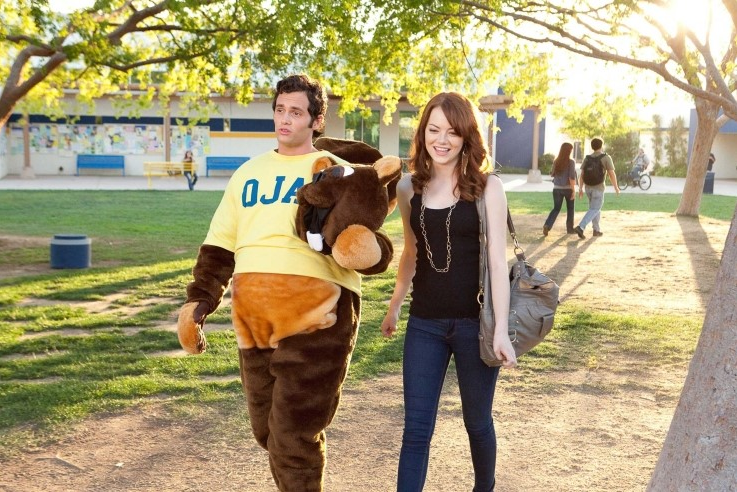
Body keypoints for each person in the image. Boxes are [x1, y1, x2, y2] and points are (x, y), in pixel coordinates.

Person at [179, 74, 391, 491]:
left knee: (294, 434)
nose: (285, 119)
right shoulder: (247, 172)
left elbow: (368, 242)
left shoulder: (340, 172)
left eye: (296, 112)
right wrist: (199, 302)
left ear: (316, 121)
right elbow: (219, 245)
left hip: (318, 313)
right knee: (268, 431)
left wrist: (370, 252)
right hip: (254, 317)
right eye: (280, 110)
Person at [380, 92, 517, 492]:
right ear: (422, 132)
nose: (441, 140)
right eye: (434, 130)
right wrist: (394, 305)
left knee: (477, 422)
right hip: (424, 324)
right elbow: (411, 251)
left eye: (452, 132)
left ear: (466, 136)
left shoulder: (488, 188)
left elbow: (497, 263)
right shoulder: (408, 188)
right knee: (416, 430)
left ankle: (484, 487)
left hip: (474, 325)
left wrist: (501, 331)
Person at [573, 137, 620, 239]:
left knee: (594, 209)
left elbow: (582, 174)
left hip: (588, 188)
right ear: (601, 146)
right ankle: (581, 227)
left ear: (592, 146)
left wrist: (580, 188)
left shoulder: (587, 158)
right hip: (598, 188)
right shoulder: (606, 158)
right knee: (595, 208)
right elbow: (611, 174)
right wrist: (616, 187)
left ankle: (596, 230)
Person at [543, 142, 577, 236]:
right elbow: (571, 177)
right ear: (569, 151)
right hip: (568, 189)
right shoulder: (571, 162)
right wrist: (573, 190)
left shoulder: (556, 161)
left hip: (557, 189)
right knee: (570, 209)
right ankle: (570, 229)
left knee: (556, 208)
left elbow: (552, 174)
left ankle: (547, 225)